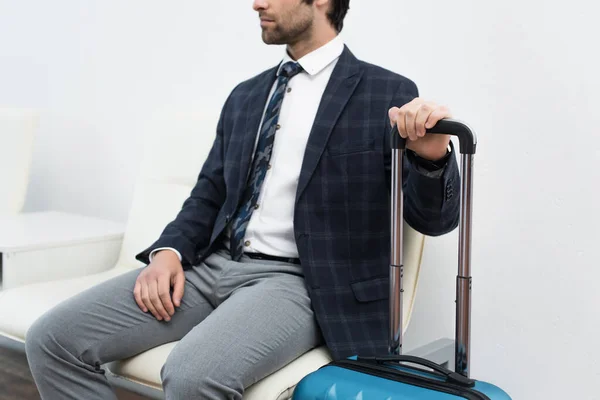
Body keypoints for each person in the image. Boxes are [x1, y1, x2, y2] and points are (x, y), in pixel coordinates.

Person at [25, 0, 461, 398]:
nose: (257, 3)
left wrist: (433, 157)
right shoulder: (247, 96)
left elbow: (435, 220)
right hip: (210, 266)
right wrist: (168, 252)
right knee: (53, 338)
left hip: (299, 284)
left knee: (193, 374)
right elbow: (208, 193)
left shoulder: (386, 93)